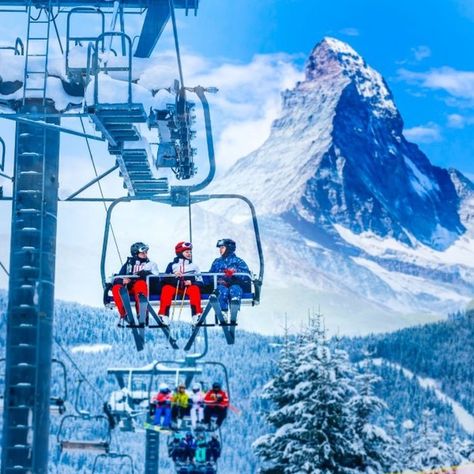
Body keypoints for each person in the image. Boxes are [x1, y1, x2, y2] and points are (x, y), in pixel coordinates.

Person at [111, 242, 159, 325]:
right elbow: (119, 277)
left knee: (140, 284)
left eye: (146, 252)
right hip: (128, 288)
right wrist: (122, 281)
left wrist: (143, 274)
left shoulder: (150, 265)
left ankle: (142, 313)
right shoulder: (128, 265)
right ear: (136, 254)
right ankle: (124, 314)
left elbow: (155, 277)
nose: (145, 254)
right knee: (116, 288)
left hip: (141, 288)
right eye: (142, 253)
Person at [158, 241, 203, 326]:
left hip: (188, 288)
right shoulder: (172, 265)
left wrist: (192, 282)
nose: (189, 254)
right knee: (166, 289)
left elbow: (200, 281)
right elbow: (164, 279)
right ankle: (163, 315)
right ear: (180, 253)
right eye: (186, 252)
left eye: (190, 252)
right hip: (176, 287)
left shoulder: (194, 266)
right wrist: (174, 277)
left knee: (194, 289)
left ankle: (196, 314)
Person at [208, 238, 250, 317]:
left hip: (235, 284)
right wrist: (217, 280)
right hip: (222, 285)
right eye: (220, 248)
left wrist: (235, 272)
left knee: (235, 289)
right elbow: (210, 275)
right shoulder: (217, 262)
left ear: (229, 248)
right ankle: (223, 311)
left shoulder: (238, 262)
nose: (220, 250)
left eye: (222, 248)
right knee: (221, 290)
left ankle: (234, 305)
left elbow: (246, 275)